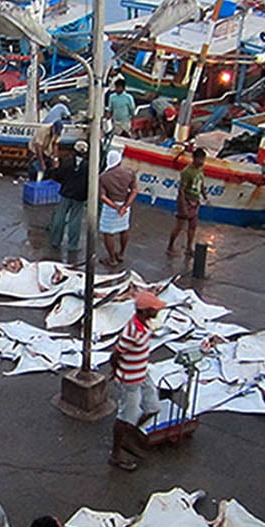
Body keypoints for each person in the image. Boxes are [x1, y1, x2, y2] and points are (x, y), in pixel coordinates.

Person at [108, 290, 165, 471]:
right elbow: (116, 353)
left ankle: (129, 435)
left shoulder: (143, 325)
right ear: (144, 311)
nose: (156, 312)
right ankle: (116, 453)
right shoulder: (132, 332)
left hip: (142, 374)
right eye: (153, 309)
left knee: (153, 407)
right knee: (125, 416)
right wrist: (117, 370)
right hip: (130, 379)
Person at [99, 150, 138, 267]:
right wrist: (125, 206)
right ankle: (121, 254)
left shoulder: (103, 177)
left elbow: (102, 196)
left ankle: (112, 258)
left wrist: (116, 207)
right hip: (125, 205)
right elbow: (134, 190)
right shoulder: (129, 173)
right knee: (124, 229)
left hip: (111, 206)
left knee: (108, 232)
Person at [49, 140, 89, 251]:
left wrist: (55, 168)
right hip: (80, 195)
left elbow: (57, 176)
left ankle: (55, 241)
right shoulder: (88, 165)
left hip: (66, 192)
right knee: (75, 220)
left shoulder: (66, 162)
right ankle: (72, 245)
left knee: (60, 216)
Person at [167, 147, 207, 257]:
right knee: (179, 226)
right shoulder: (187, 172)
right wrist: (183, 205)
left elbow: (201, 183)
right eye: (200, 159)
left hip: (196, 200)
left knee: (193, 226)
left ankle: (189, 247)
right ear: (194, 158)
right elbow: (181, 190)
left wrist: (204, 196)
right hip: (186, 200)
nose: (202, 162)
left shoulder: (200, 169)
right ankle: (170, 246)